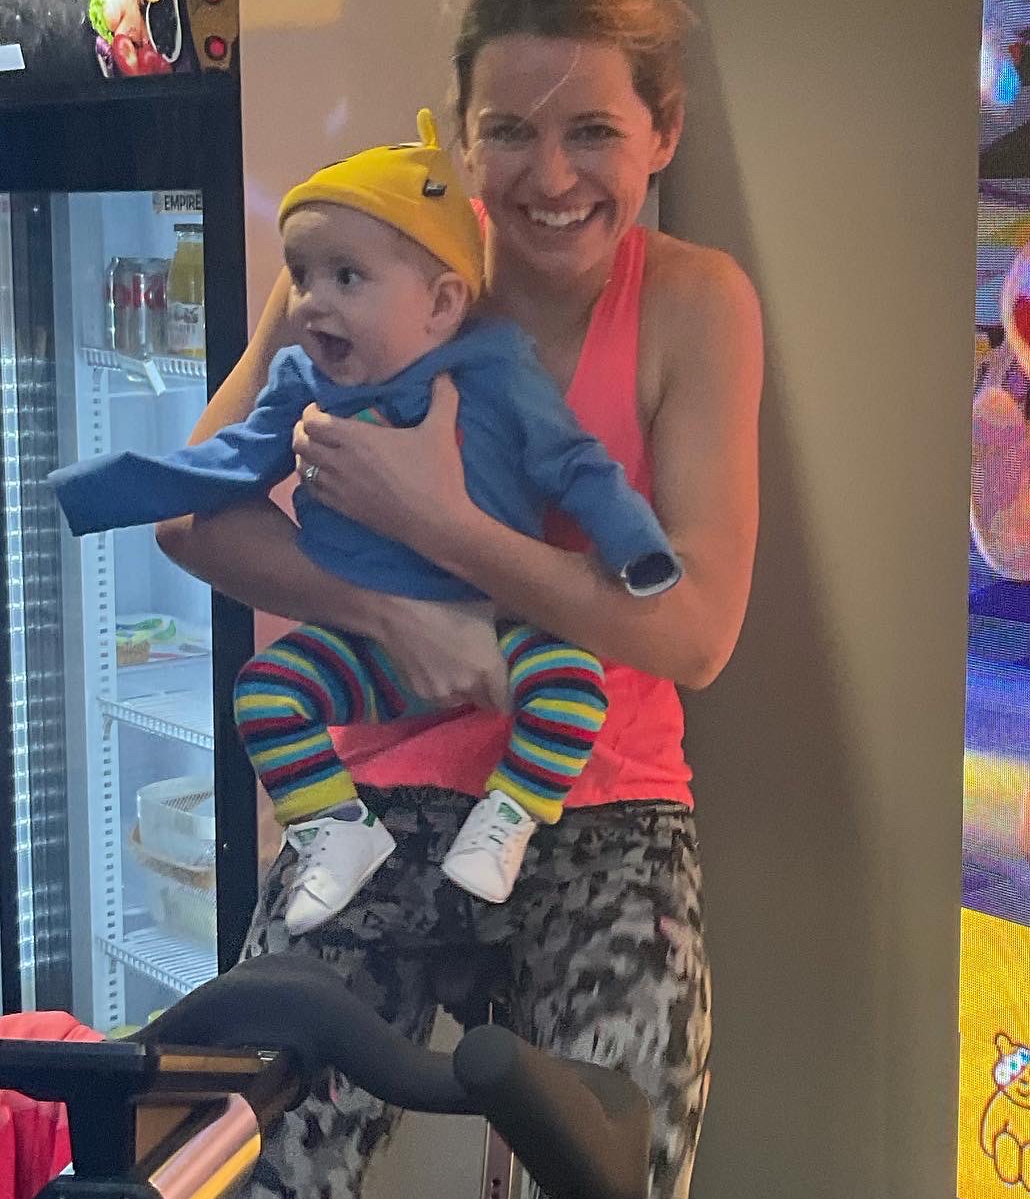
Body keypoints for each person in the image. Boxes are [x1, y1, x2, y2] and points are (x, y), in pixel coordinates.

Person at [157, 0, 763, 1199]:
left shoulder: (693, 305)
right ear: (459, 131)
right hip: (375, 801)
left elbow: (697, 631)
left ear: (661, 134)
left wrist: (444, 528)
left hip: (602, 802)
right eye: (510, 132)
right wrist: (393, 616)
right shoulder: (365, 262)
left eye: (592, 130)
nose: (550, 176)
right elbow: (191, 515)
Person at [49, 111, 681, 928]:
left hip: (496, 632)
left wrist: (637, 548)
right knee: (265, 693)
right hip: (365, 651)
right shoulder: (301, 382)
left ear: (442, 303)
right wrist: (106, 490)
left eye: (346, 278)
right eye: (302, 275)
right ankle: (334, 829)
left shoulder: (495, 369)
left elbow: (576, 465)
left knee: (572, 688)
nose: (312, 302)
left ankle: (511, 815)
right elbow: (228, 465)